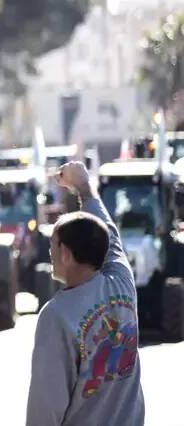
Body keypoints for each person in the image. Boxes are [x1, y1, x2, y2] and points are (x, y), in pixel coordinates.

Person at [26, 161, 144, 426]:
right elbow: (110, 236)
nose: (50, 252)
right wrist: (84, 187)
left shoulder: (56, 315)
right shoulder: (123, 282)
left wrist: (81, 187)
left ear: (66, 254)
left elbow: (46, 406)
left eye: (53, 244)